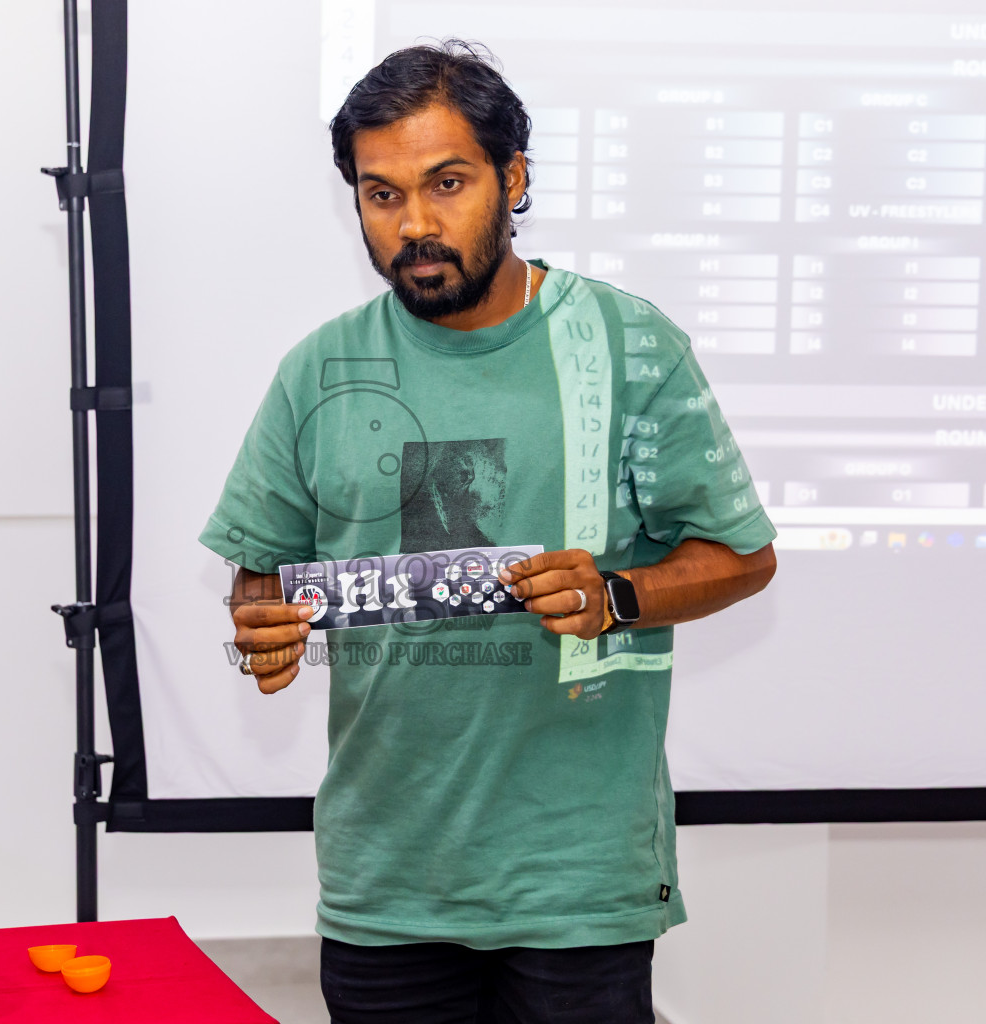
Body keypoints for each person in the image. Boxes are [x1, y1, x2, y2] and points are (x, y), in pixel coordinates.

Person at [198, 40, 777, 1023]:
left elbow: (742, 556)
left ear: (514, 177)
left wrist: (616, 595)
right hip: (384, 884)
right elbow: (262, 577)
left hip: (575, 884)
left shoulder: (630, 345)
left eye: (447, 183)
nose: (414, 225)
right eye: (380, 196)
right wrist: (262, 628)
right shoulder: (317, 370)